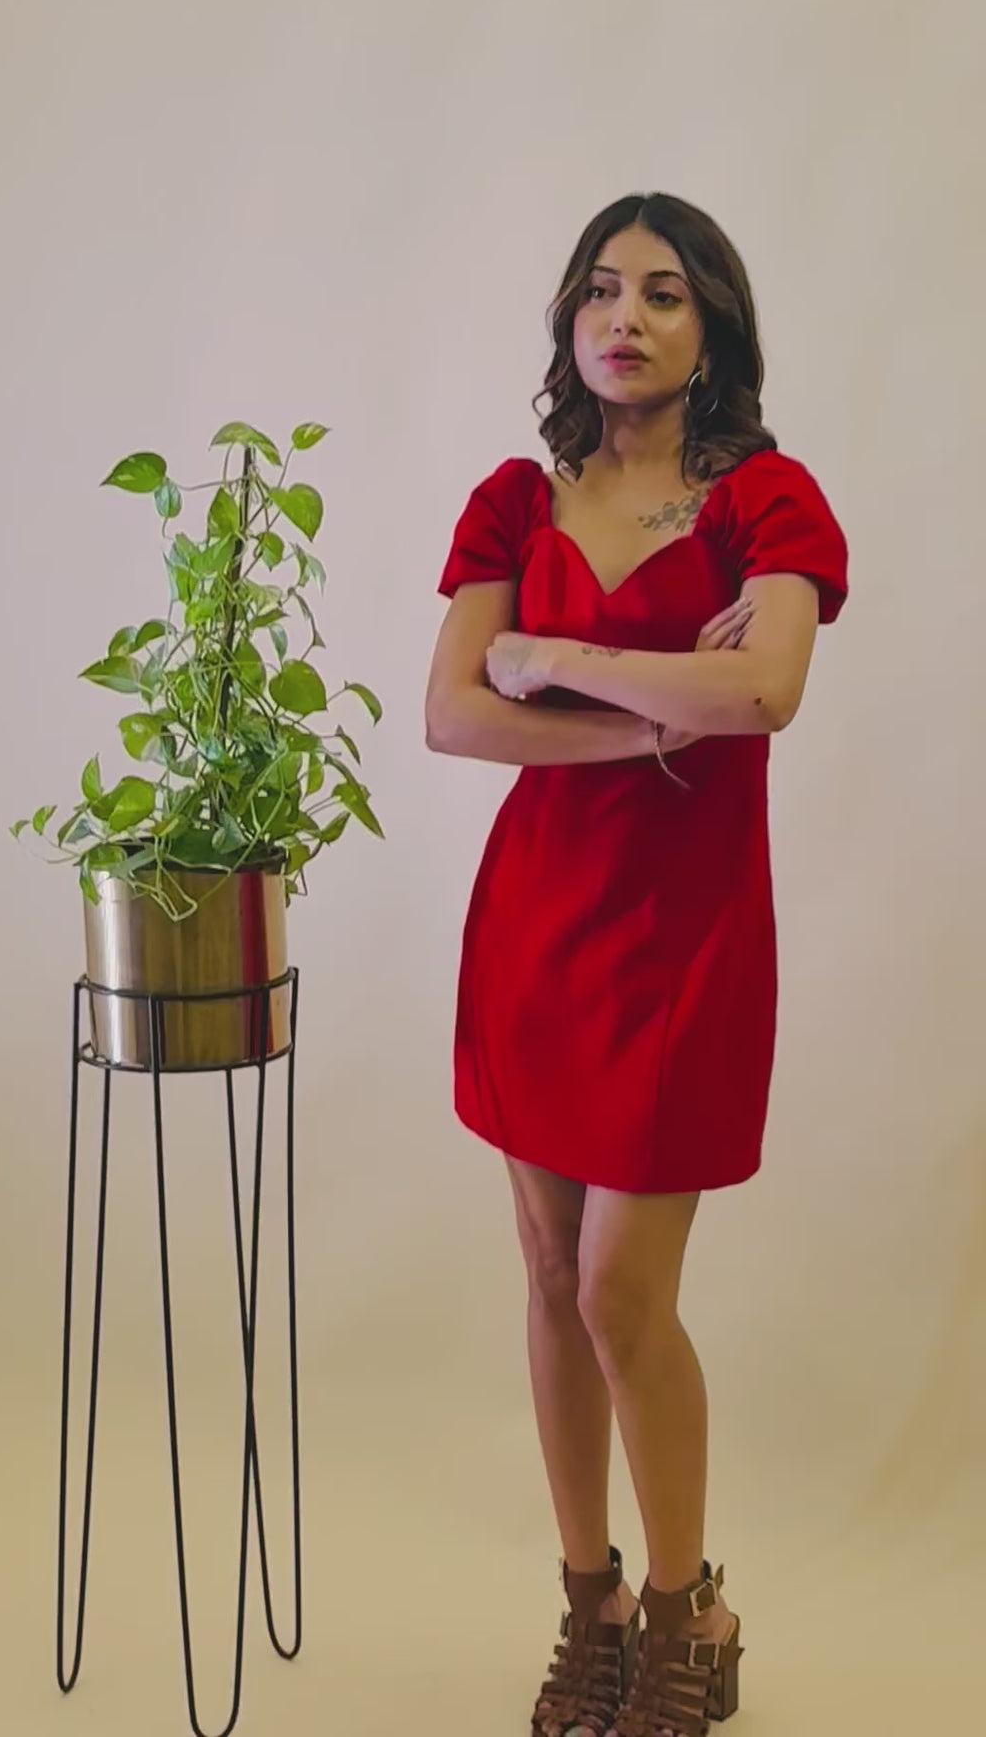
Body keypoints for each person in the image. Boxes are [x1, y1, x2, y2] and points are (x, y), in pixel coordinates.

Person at [424, 192, 849, 1737]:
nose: (627, 317)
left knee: (620, 1290)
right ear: (568, 323)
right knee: (549, 1275)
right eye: (601, 290)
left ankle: (690, 1609)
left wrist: (564, 660)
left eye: (666, 295)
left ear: (713, 328)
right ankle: (590, 1602)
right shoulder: (514, 503)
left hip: (686, 938)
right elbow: (454, 715)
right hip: (537, 926)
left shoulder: (765, 501)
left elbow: (774, 689)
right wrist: (660, 710)